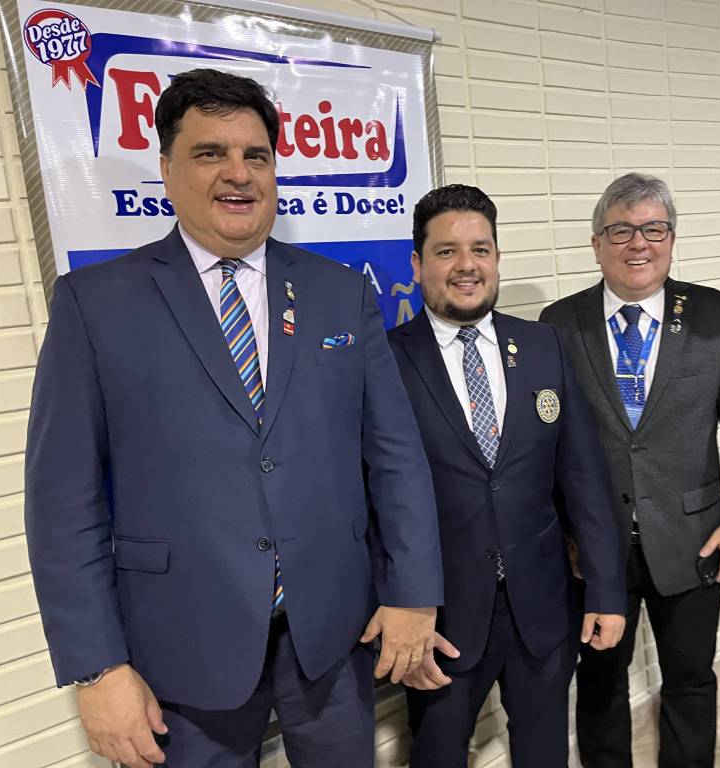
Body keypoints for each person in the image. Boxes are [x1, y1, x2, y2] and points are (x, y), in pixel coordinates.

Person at [24, 68, 444, 768]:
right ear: (167, 169)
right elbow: (61, 504)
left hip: (333, 634)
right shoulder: (94, 305)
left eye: (256, 155)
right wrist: (96, 669)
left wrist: (415, 595)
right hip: (181, 646)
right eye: (209, 153)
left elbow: (395, 456)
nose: (238, 174)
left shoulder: (339, 293)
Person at [386, 184, 627, 767]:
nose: (466, 265)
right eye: (446, 251)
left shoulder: (543, 345)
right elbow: (371, 501)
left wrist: (605, 590)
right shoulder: (386, 360)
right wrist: (399, 607)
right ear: (417, 264)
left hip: (542, 607)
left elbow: (584, 477)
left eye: (481, 249)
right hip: (439, 619)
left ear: (496, 257)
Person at [540, 172, 720, 768]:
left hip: (694, 539)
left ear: (671, 239)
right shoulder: (559, 325)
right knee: (599, 681)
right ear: (597, 243)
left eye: (654, 229)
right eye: (620, 230)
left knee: (690, 678)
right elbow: (546, 443)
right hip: (594, 547)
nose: (638, 243)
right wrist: (563, 531)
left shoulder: (717, 317)